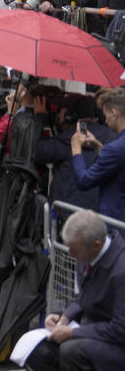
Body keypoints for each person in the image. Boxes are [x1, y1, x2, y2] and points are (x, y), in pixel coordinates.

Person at [24, 210, 125, 371]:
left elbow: (120, 329)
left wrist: (72, 333)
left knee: (70, 351)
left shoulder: (120, 270)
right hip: (91, 330)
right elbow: (82, 298)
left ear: (96, 245)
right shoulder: (85, 255)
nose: (70, 254)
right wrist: (64, 317)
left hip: (116, 344)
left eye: (74, 250)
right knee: (38, 352)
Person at [70, 88, 125, 221]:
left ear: (114, 113)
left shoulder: (114, 149)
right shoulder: (116, 147)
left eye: (105, 115)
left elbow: (84, 181)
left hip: (116, 222)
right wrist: (97, 145)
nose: (104, 120)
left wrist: (76, 149)